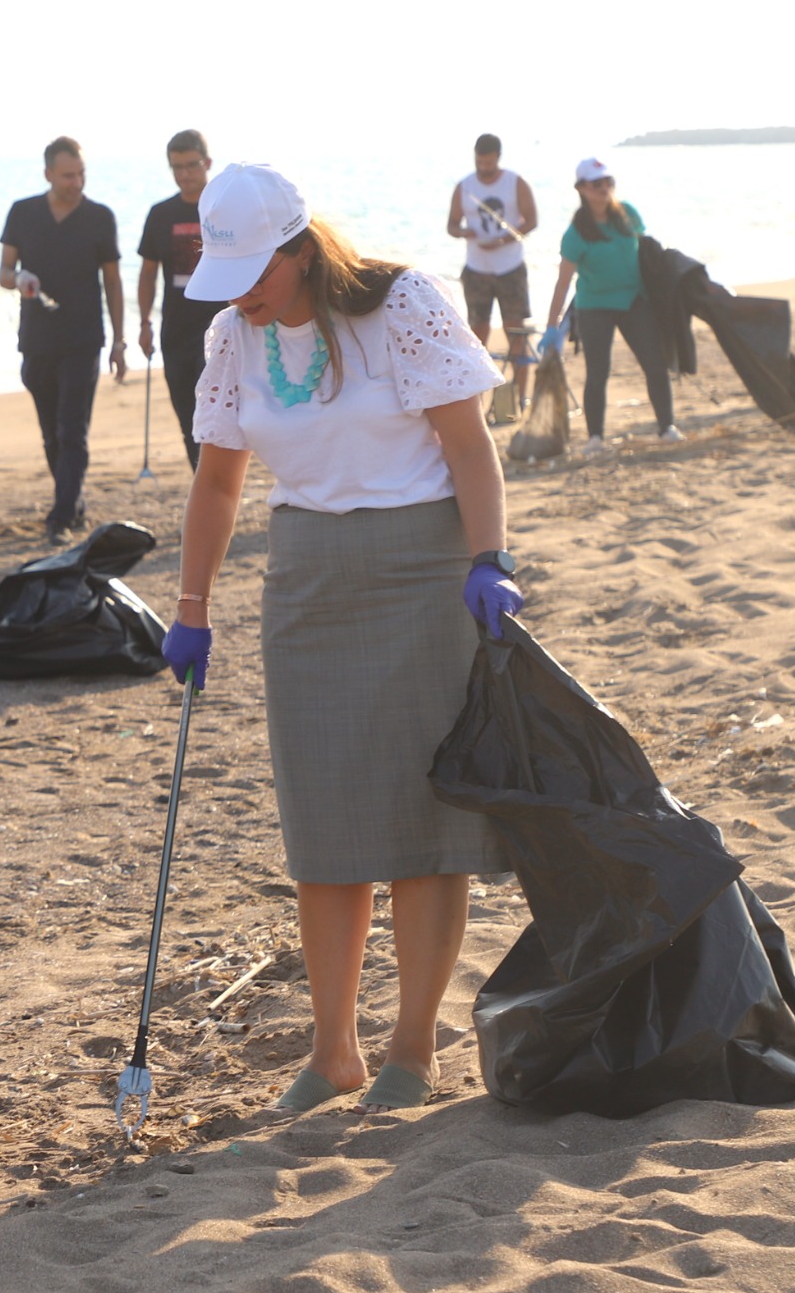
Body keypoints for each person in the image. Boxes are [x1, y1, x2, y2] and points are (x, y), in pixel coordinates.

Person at [162, 163, 519, 1114]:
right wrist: (192, 607)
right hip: (308, 582)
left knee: (422, 825)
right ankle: (333, 1055)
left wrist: (489, 558)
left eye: (256, 271)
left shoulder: (402, 303)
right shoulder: (233, 336)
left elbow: (468, 443)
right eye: (228, 274)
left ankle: (411, 1049)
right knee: (324, 828)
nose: (242, 291)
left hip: (422, 570)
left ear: (301, 249)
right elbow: (218, 484)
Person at [0, 136, 124, 540]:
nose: (77, 182)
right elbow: (3, 273)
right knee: (51, 433)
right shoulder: (23, 212)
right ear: (48, 173)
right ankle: (73, 502)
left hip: (84, 338)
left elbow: (113, 281)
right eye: (68, 175)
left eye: (81, 174)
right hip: (36, 338)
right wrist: (20, 277)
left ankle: (61, 518)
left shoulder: (100, 217)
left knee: (72, 430)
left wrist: (119, 340)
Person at [544, 158, 681, 456]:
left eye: (608, 182)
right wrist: (552, 327)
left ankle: (667, 427)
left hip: (634, 301)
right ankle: (595, 438)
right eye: (596, 184)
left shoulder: (627, 214)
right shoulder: (576, 233)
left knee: (655, 364)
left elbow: (647, 251)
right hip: (595, 306)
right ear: (582, 188)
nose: (604, 188)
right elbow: (563, 283)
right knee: (598, 373)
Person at [135, 130, 224, 466]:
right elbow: (148, 273)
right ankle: (200, 480)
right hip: (175, 331)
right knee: (188, 420)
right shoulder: (161, 214)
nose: (185, 174)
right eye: (177, 167)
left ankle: (220, 481)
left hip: (221, 327)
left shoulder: (224, 208)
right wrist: (144, 323)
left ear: (207, 163)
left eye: (191, 165)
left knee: (217, 414)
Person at [445, 134, 540, 413]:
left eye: (488, 162)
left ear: (498, 157)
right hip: (476, 271)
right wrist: (463, 232)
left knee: (517, 334)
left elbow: (532, 220)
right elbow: (451, 225)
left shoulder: (515, 182)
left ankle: (519, 399)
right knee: (476, 336)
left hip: (510, 269)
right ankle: (477, 403)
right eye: (479, 162)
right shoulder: (465, 186)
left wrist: (503, 240)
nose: (483, 167)